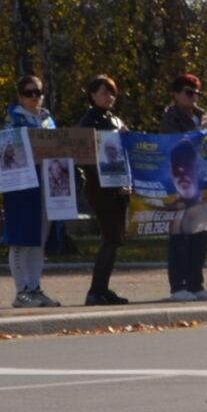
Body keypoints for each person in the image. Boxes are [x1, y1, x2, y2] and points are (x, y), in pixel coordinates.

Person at [159, 74, 207, 301]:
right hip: (182, 184)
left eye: (197, 93)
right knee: (180, 234)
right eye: (189, 92)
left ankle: (197, 285)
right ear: (176, 95)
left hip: (206, 184)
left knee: (201, 234)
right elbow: (172, 144)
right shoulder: (170, 118)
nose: (194, 97)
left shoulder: (205, 118)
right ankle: (178, 286)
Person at [3, 75, 59, 308]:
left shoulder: (47, 119)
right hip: (22, 185)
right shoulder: (13, 119)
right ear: (20, 96)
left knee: (39, 240)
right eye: (28, 92)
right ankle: (21, 291)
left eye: (37, 92)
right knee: (21, 240)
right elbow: (6, 148)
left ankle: (35, 288)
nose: (34, 97)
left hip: (47, 184)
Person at [78, 75, 131, 307]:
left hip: (120, 187)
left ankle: (102, 289)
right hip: (100, 187)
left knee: (116, 238)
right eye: (103, 92)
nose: (108, 97)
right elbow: (88, 157)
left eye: (111, 93)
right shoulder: (89, 121)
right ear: (92, 95)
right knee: (110, 237)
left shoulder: (116, 121)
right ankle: (94, 292)